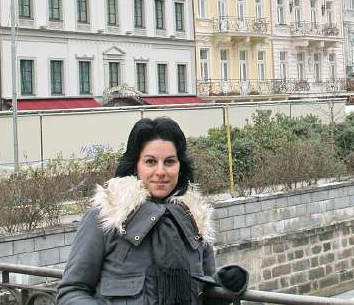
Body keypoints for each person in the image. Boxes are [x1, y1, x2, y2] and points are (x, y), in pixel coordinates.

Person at [58, 117, 245, 305]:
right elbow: (71, 292)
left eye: (169, 162)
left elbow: (206, 296)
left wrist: (225, 285)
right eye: (150, 162)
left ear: (180, 167)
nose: (161, 171)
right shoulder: (106, 218)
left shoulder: (194, 220)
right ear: (135, 165)